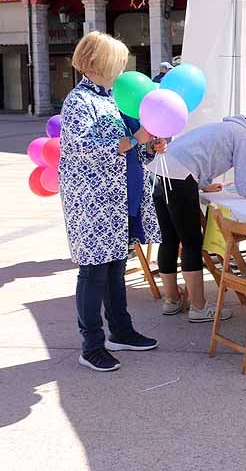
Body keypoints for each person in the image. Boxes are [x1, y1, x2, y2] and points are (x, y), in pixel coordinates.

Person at [59, 32, 164, 372]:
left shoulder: (112, 97)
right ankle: (91, 345)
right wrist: (135, 138)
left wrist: (148, 145)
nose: (123, 68)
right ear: (99, 62)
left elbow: (130, 146)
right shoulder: (79, 101)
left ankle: (120, 330)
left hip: (120, 199)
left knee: (117, 267)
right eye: (119, 62)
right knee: (94, 273)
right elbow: (86, 149)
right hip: (94, 205)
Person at [149, 114, 246, 322]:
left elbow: (201, 155)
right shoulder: (244, 137)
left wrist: (202, 184)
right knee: (191, 243)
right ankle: (199, 307)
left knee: (169, 239)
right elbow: (245, 187)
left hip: (160, 171)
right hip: (180, 177)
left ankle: (171, 300)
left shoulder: (227, 128)